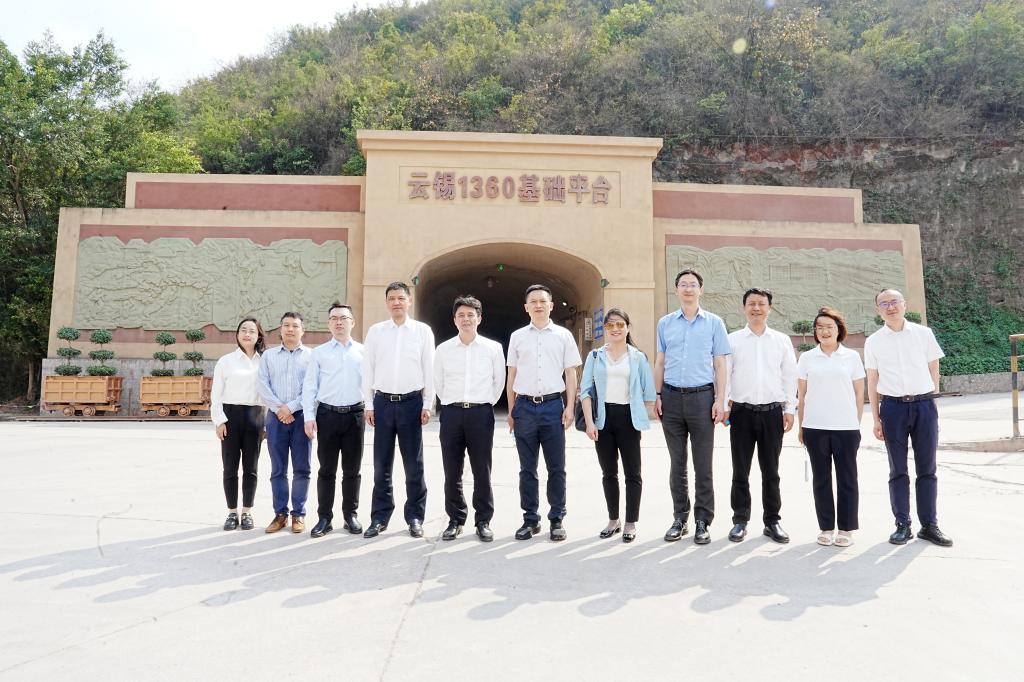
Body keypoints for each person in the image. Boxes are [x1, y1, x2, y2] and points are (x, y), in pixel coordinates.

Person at [865, 289, 953, 547]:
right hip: (892, 408)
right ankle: (902, 524)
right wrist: (876, 418)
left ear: (904, 304)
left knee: (927, 468)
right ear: (878, 310)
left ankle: (929, 525)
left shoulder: (923, 334)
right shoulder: (874, 341)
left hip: (924, 405)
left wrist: (934, 402)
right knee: (898, 470)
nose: (890, 307)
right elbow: (872, 379)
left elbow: (934, 367)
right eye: (884, 303)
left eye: (894, 302)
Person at [654, 269, 731, 545]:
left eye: (693, 284)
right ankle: (680, 518)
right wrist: (657, 395)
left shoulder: (714, 323)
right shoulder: (665, 323)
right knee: (677, 464)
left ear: (701, 289)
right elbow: (660, 361)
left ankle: (703, 521)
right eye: (683, 284)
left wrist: (720, 399)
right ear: (676, 290)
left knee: (703, 464)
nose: (688, 288)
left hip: (702, 399)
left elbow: (720, 364)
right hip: (671, 398)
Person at [506, 284, 582, 542]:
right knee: (527, 468)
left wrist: (569, 406)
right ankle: (530, 519)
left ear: (551, 305)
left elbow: (571, 373)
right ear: (526, 307)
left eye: (542, 301)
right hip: (524, 407)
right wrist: (511, 410)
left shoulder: (563, 336)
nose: (538, 305)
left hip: (552, 406)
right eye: (533, 302)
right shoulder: (517, 337)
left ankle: (557, 518)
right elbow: (511, 375)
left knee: (556, 467)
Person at [723, 288, 797, 544]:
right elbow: (725, 374)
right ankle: (740, 520)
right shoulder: (732, 340)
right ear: (744, 308)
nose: (756, 308)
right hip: (741, 412)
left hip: (772, 413)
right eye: (751, 304)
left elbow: (789, 376)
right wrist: (724, 405)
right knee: (740, 470)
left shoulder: (781, 340)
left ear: (769, 308)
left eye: (761, 304)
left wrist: (789, 409)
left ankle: (772, 521)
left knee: (771, 471)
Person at [361, 282, 435, 539]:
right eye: (391, 298)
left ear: (409, 301)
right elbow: (368, 369)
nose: (396, 302)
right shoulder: (376, 332)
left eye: (401, 298)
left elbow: (429, 368)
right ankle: (380, 517)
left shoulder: (422, 331)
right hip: (382, 403)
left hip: (411, 403)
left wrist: (427, 403)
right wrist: (369, 404)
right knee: (381, 464)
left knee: (414, 465)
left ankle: (415, 516)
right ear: (386, 302)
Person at [579, 308, 656, 543]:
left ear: (628, 328)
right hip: (603, 419)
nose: (615, 329)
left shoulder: (638, 357)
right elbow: (585, 392)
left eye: (620, 324)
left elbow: (649, 393)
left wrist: (642, 414)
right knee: (609, 473)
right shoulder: (595, 356)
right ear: (605, 329)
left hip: (628, 419)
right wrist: (590, 423)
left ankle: (631, 522)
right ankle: (614, 520)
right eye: (610, 325)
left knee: (633, 473)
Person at [433, 295, 505, 542]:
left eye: (470, 315)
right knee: (452, 470)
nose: (466, 319)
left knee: (482, 470)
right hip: (451, 413)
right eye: (461, 315)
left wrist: (483, 403)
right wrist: (451, 402)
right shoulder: (443, 350)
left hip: (480, 414)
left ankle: (483, 520)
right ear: (454, 320)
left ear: (479, 318)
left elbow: (498, 382)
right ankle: (455, 519)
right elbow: (439, 383)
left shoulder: (493, 348)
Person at [796, 307, 864, 547]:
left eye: (829, 327)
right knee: (821, 479)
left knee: (847, 478)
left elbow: (859, 394)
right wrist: (802, 426)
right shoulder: (807, 358)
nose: (824, 331)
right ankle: (825, 527)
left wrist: (855, 423)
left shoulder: (851, 357)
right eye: (820, 327)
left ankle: (846, 529)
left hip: (846, 428)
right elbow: (802, 396)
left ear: (838, 329)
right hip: (815, 427)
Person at [302, 302, 364, 538]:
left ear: (352, 322)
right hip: (327, 416)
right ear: (329, 324)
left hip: (355, 416)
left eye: (343, 318)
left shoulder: (363, 352)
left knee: (352, 470)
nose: (339, 322)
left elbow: (371, 384)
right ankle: (324, 518)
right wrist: (309, 417)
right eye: (334, 318)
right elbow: (310, 387)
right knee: (326, 470)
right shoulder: (319, 353)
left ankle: (350, 515)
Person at [257, 311, 313, 534]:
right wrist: (279, 409)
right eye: (286, 325)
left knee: (302, 469)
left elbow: (312, 388)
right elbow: (262, 385)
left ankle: (298, 514)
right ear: (280, 329)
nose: (290, 329)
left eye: (295, 326)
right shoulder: (268, 356)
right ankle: (280, 514)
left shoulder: (312, 357)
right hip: (275, 418)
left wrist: (290, 408)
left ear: (302, 330)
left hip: (302, 418)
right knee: (278, 469)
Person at [211, 318, 266, 531]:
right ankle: (232, 512)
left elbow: (268, 394)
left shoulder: (265, 361)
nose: (247, 334)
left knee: (251, 468)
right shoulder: (226, 361)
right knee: (230, 468)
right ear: (237, 334)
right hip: (230, 417)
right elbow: (216, 394)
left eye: (252, 331)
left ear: (258, 336)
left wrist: (266, 424)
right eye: (243, 330)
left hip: (255, 417)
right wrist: (219, 421)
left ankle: (247, 511)